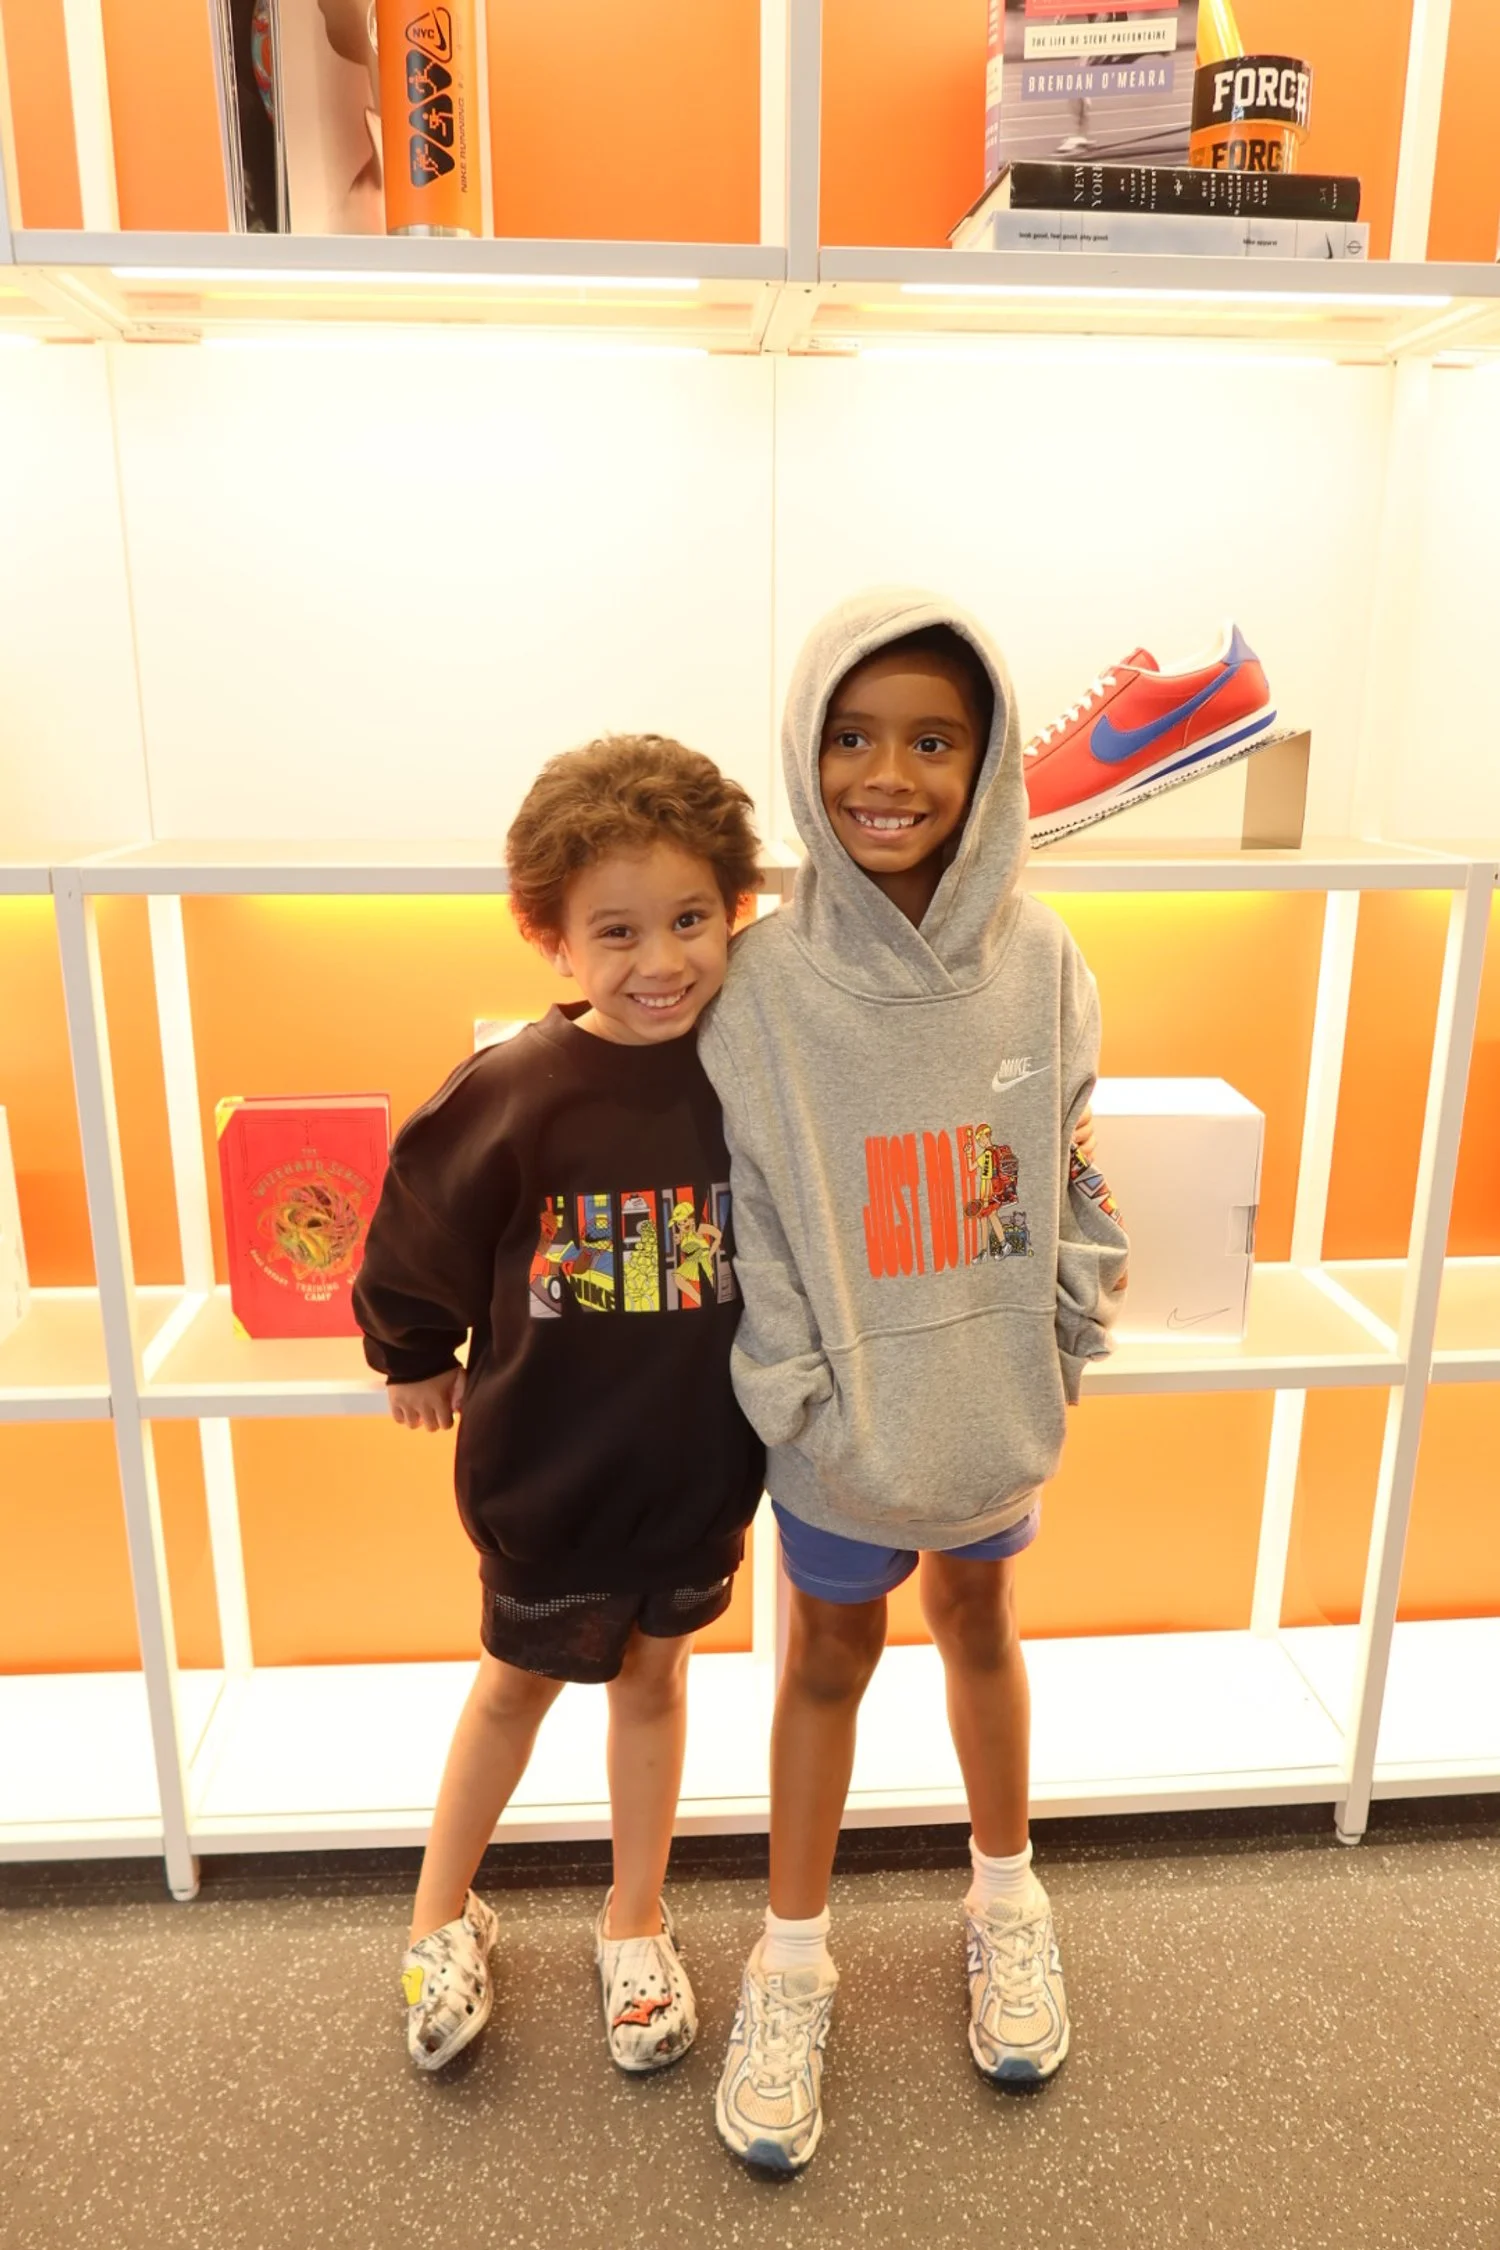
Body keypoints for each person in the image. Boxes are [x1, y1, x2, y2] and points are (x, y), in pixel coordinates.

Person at [697, 591, 1129, 2172]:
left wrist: (1063, 1336)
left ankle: (1007, 1898)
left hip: (993, 1405)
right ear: (807, 750)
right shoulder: (761, 983)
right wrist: (800, 1400)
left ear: (988, 759)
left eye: (934, 740)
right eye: (854, 736)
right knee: (826, 1653)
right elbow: (753, 1210)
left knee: (983, 1621)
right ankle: (791, 1960)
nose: (890, 773)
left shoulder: (1047, 958)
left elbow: (1069, 1164)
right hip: (839, 1430)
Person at [353, 734, 766, 2078]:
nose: (662, 960)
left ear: (737, 908)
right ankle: (441, 1914)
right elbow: (416, 1225)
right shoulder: (514, 1089)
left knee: (655, 1679)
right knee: (514, 1687)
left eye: (691, 919)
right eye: (618, 931)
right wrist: (411, 1352)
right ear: (553, 937)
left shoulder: (752, 1069)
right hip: (546, 1479)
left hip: (697, 1476)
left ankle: (634, 1918)